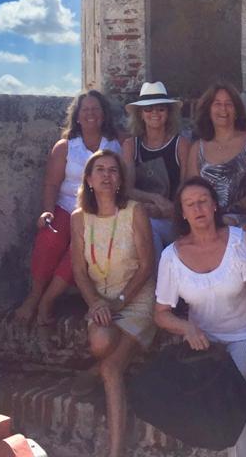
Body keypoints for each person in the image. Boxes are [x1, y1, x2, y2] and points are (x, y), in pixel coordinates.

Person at [155, 177, 246, 457]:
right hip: (204, 345)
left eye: (202, 202)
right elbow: (160, 314)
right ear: (182, 213)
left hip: (244, 336)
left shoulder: (237, 241)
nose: (197, 209)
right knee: (193, 398)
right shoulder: (171, 257)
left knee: (228, 390)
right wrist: (186, 326)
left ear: (214, 206)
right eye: (190, 204)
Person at [70, 149, 155, 457]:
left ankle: (116, 450)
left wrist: (121, 301)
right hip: (101, 300)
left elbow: (147, 265)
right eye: (100, 170)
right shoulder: (79, 218)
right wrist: (95, 303)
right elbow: (79, 269)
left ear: (120, 179)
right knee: (100, 341)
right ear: (89, 180)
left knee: (111, 367)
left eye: (113, 171)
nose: (107, 175)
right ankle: (94, 369)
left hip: (137, 297)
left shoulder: (134, 211)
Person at [15, 91, 122, 326]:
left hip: (97, 211)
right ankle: (34, 296)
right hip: (65, 206)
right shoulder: (65, 147)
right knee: (49, 238)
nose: (91, 114)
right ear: (77, 117)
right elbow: (52, 184)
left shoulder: (116, 144)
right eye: (85, 110)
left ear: (103, 115)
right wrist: (48, 211)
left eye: (96, 109)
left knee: (80, 250)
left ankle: (48, 301)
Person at [121, 81, 189, 260]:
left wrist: (169, 210)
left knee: (151, 230)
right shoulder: (130, 146)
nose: (154, 114)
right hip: (141, 213)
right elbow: (127, 189)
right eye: (148, 109)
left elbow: (187, 187)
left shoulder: (180, 145)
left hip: (174, 217)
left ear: (168, 113)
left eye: (160, 109)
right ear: (141, 115)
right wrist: (155, 199)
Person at [184, 82, 246, 226]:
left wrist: (231, 211)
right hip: (206, 220)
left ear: (237, 110)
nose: (223, 109)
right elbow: (192, 192)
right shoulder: (197, 148)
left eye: (229, 104)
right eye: (217, 104)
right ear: (208, 110)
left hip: (245, 220)